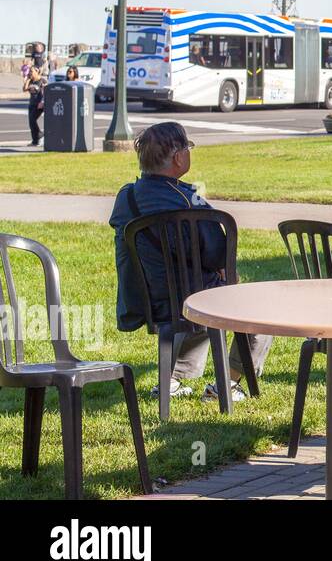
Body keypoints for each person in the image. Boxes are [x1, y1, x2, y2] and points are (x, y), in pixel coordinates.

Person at [109, 123, 272, 402]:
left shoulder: (127, 197)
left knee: (197, 296)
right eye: (187, 147)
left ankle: (171, 379)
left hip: (152, 301)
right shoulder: (188, 199)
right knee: (260, 307)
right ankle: (228, 383)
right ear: (178, 157)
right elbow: (219, 255)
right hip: (196, 300)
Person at [23, 47, 47, 146]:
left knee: (33, 120)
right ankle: (35, 141)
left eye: (32, 72)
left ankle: (40, 135)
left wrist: (42, 102)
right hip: (31, 104)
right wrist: (28, 79)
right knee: (31, 123)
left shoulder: (42, 81)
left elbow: (45, 92)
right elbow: (24, 89)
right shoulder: (31, 81)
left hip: (39, 104)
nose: (31, 74)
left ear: (37, 72)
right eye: (30, 72)